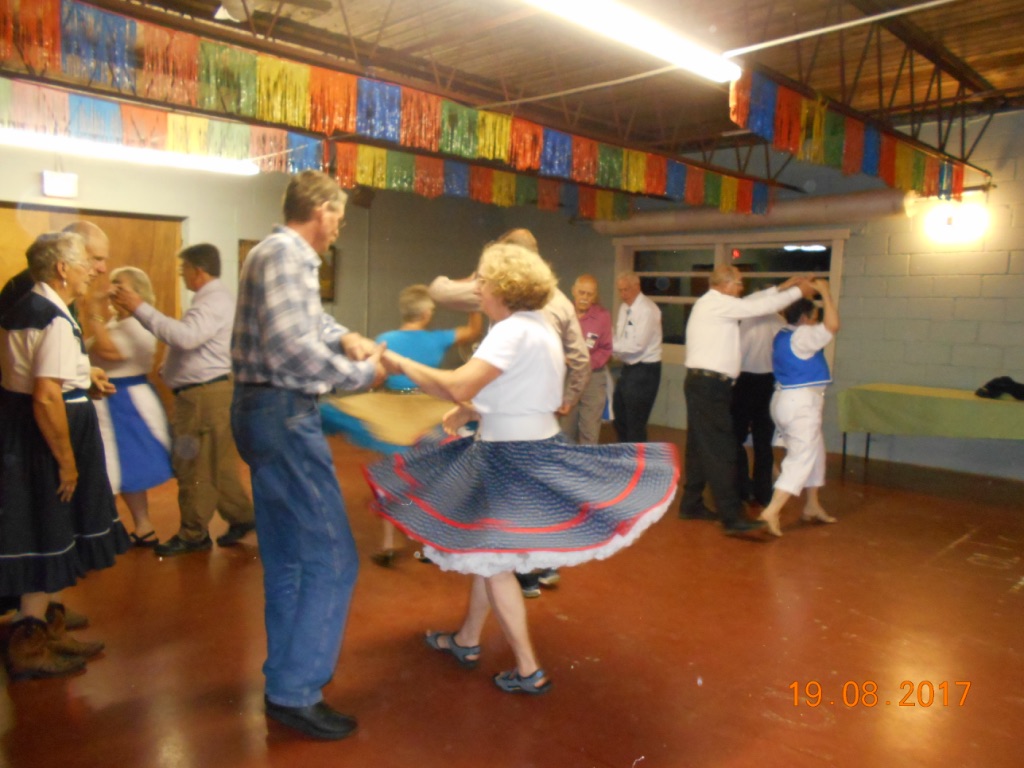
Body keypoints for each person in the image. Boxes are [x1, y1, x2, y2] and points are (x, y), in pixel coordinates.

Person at [366, 242, 679, 696]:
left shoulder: (511, 331)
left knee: (494, 562)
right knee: (487, 553)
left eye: (483, 281)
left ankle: (528, 668)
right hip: (528, 448)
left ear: (502, 287)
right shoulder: (537, 327)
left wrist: (397, 362)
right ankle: (467, 639)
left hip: (510, 458)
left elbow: (456, 385)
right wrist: (475, 410)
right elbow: (521, 391)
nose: (479, 288)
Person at [230, 170, 384, 741]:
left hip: (261, 410)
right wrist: (362, 374)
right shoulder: (288, 255)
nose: (339, 226)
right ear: (321, 210)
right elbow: (292, 347)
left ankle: (285, 681)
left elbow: (306, 322)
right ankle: (297, 691)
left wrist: (342, 335)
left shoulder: (272, 254)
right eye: (338, 215)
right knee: (333, 557)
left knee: (290, 557)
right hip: (283, 413)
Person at [427, 228, 591, 597]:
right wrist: (568, 398)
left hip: (505, 412)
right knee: (531, 493)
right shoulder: (560, 301)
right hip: (536, 409)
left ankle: (521, 573)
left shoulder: (507, 314)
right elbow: (580, 358)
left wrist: (473, 278)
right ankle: (535, 567)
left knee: (504, 502)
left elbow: (438, 291)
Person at [0, 232, 129, 680]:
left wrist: (82, 374)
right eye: (84, 262)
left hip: (28, 432)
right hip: (47, 437)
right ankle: (30, 642)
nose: (91, 271)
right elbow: (45, 395)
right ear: (61, 268)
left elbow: (37, 371)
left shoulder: (30, 307)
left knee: (49, 527)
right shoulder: (53, 317)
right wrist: (67, 461)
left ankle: (47, 628)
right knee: (49, 527)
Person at [321, 284, 483, 567]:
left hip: (391, 410)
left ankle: (389, 541)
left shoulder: (385, 338)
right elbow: (473, 332)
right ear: (426, 312)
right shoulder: (437, 338)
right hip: (428, 410)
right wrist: (471, 303)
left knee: (393, 473)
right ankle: (431, 540)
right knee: (431, 474)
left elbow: (377, 376)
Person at [111, 244, 254, 556]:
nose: (182, 275)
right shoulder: (213, 299)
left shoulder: (212, 301)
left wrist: (139, 307)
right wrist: (172, 367)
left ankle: (193, 534)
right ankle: (242, 517)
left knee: (193, 466)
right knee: (217, 464)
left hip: (203, 399)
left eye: (183, 270)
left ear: (197, 271)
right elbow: (194, 342)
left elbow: (185, 337)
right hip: (208, 395)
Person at [680, 266, 814, 536]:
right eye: (738, 283)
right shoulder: (716, 304)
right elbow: (756, 307)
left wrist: (782, 287)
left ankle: (691, 503)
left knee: (699, 447)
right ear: (725, 284)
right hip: (708, 387)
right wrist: (798, 292)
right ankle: (732, 517)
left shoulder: (716, 303)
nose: (741, 288)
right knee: (722, 450)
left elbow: (753, 301)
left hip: (706, 385)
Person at [86, 267, 173, 547]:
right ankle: (142, 527)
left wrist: (94, 310)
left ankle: (105, 532)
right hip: (110, 400)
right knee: (116, 468)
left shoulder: (139, 323)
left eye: (120, 285)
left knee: (122, 466)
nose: (113, 290)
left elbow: (109, 351)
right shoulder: (118, 322)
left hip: (125, 401)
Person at [758, 280, 840, 536]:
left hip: (786, 400)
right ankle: (772, 511)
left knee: (815, 453)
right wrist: (825, 293)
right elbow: (833, 325)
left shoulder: (783, 333)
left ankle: (812, 504)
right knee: (801, 457)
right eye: (814, 318)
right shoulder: (803, 336)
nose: (817, 322)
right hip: (800, 404)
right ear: (805, 318)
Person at [731, 302, 784, 507]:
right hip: (770, 382)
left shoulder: (748, 322)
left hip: (745, 381)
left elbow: (738, 354)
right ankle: (764, 492)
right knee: (763, 440)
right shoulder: (780, 322)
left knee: (736, 437)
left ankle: (742, 488)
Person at [560, 273, 612, 446]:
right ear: (573, 291)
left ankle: (587, 463)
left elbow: (606, 349)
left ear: (595, 296)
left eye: (589, 294)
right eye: (581, 292)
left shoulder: (602, 316)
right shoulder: (564, 313)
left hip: (593, 378)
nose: (585, 297)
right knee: (565, 431)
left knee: (589, 432)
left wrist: (584, 363)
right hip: (568, 377)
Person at [611, 271, 662, 442]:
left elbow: (638, 345)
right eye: (620, 290)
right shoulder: (624, 308)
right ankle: (625, 452)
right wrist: (612, 346)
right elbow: (620, 338)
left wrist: (609, 346)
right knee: (619, 415)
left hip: (645, 370)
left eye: (626, 290)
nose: (623, 294)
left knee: (635, 422)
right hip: (629, 368)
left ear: (637, 287)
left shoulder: (647, 309)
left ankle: (636, 457)